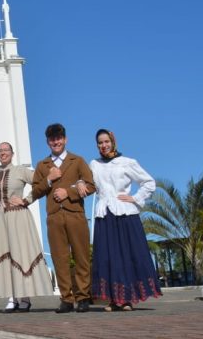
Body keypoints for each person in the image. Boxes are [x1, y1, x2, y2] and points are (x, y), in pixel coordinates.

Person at [89, 129, 161, 311]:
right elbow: (87, 183)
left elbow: (149, 182)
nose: (103, 145)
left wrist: (136, 198)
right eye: (100, 143)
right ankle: (114, 300)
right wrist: (80, 184)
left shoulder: (127, 162)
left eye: (106, 141)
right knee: (108, 257)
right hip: (104, 215)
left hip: (125, 213)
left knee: (127, 255)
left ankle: (127, 298)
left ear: (113, 142)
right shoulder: (94, 164)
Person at [31, 123, 95, 313]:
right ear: (47, 142)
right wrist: (49, 179)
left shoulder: (78, 161)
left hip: (75, 215)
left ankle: (83, 296)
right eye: (52, 139)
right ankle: (66, 298)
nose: (56, 142)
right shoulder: (43, 165)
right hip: (54, 217)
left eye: (59, 138)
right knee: (60, 258)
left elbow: (91, 185)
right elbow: (35, 191)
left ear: (65, 139)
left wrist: (69, 192)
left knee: (81, 255)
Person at [0, 142, 51, 312]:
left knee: (19, 254)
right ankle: (12, 297)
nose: (3, 153)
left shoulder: (21, 170)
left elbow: (41, 182)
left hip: (17, 217)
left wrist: (26, 199)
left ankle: (25, 297)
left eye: (6, 150)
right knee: (4, 255)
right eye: (0, 150)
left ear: (12, 153)